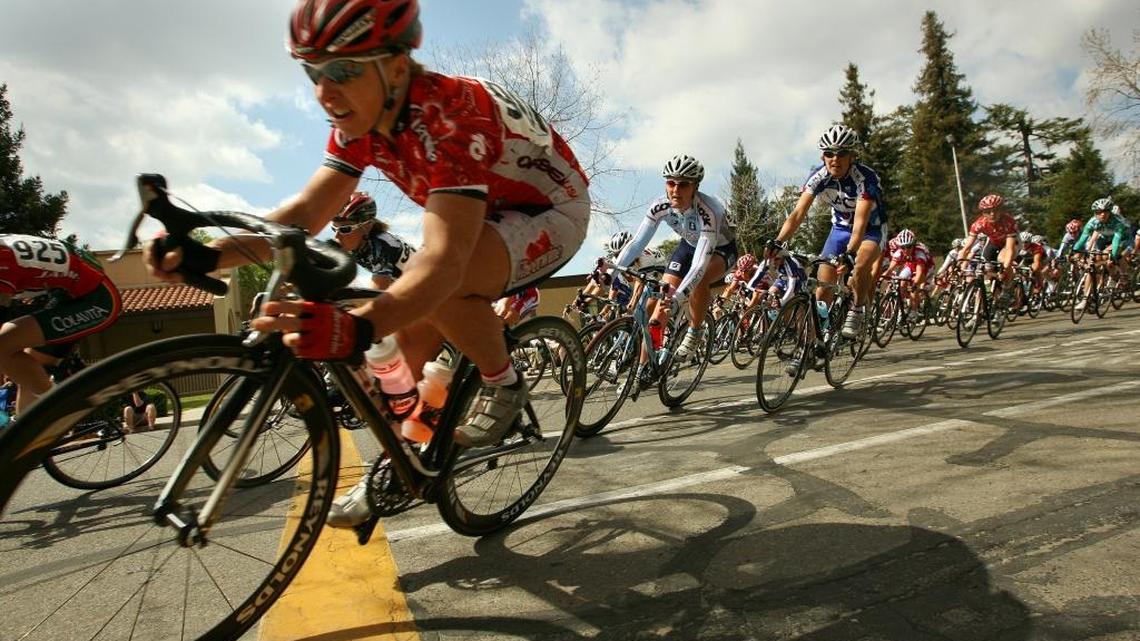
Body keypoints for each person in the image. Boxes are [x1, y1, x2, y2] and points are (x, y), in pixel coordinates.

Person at [144, 0, 590, 526]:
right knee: (404, 362)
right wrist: (210, 252)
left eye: (342, 70)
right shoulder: (361, 118)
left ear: (397, 65)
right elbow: (307, 213)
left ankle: (502, 381)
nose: (323, 92)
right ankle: (404, 462)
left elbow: (444, 262)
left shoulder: (449, 118)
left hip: (549, 210)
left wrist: (355, 328)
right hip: (486, 208)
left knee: (441, 286)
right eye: (313, 71)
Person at [612, 154, 736, 376]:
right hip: (688, 246)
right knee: (659, 305)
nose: (675, 190)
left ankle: (695, 331)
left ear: (695, 187)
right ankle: (643, 368)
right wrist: (611, 271)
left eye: (684, 184)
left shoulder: (710, 210)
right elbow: (637, 243)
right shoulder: (660, 205)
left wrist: (678, 297)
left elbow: (699, 263)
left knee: (701, 280)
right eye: (671, 182)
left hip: (720, 249)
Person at [766, 124, 886, 339]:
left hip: (870, 231)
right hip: (839, 230)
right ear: (823, 156)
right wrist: (777, 241)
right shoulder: (819, 176)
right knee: (822, 290)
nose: (835, 159)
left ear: (852, 156)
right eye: (829, 153)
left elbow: (859, 223)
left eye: (842, 153)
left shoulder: (865, 178)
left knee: (859, 266)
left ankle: (857, 310)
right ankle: (812, 346)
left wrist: (849, 253)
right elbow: (797, 213)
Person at [0, 234, 122, 415]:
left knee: (4, 342)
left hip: (95, 300)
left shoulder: (3, 261)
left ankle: (59, 414)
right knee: (29, 375)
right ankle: (29, 439)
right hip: (69, 293)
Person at [331, 191, 416, 289]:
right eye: (334, 229)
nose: (337, 236)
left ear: (367, 226)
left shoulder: (380, 246)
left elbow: (377, 293)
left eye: (345, 229)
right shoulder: (358, 244)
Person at [958, 193, 1019, 285]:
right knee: (986, 266)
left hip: (1010, 243)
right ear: (983, 213)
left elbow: (1010, 249)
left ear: (1001, 210)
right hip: (993, 243)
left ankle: (1008, 288)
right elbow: (967, 247)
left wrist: (1005, 268)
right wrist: (960, 260)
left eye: (996, 210)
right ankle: (990, 291)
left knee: (1003, 260)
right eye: (988, 211)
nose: (992, 214)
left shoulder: (1008, 222)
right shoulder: (979, 224)